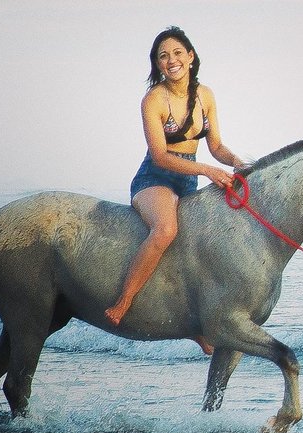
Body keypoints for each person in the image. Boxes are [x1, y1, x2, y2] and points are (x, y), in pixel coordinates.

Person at [105, 26, 244, 354]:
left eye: (178, 53)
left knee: (200, 242)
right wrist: (207, 170)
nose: (171, 60)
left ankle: (195, 322)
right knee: (166, 229)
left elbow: (217, 146)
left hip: (189, 180)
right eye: (163, 56)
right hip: (155, 179)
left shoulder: (205, 95)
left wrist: (238, 162)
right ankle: (123, 302)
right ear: (157, 64)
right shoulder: (154, 99)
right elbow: (160, 155)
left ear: (191, 57)